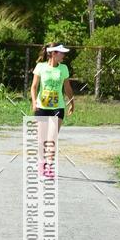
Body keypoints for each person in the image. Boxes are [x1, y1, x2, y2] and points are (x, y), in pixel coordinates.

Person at [30, 42, 75, 177]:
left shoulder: (64, 69)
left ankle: (49, 167)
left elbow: (67, 88)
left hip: (58, 107)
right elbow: (34, 87)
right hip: (41, 107)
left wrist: (72, 102)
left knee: (52, 138)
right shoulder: (40, 67)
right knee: (42, 139)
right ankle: (42, 163)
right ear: (54, 53)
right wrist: (34, 103)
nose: (64, 55)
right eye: (61, 53)